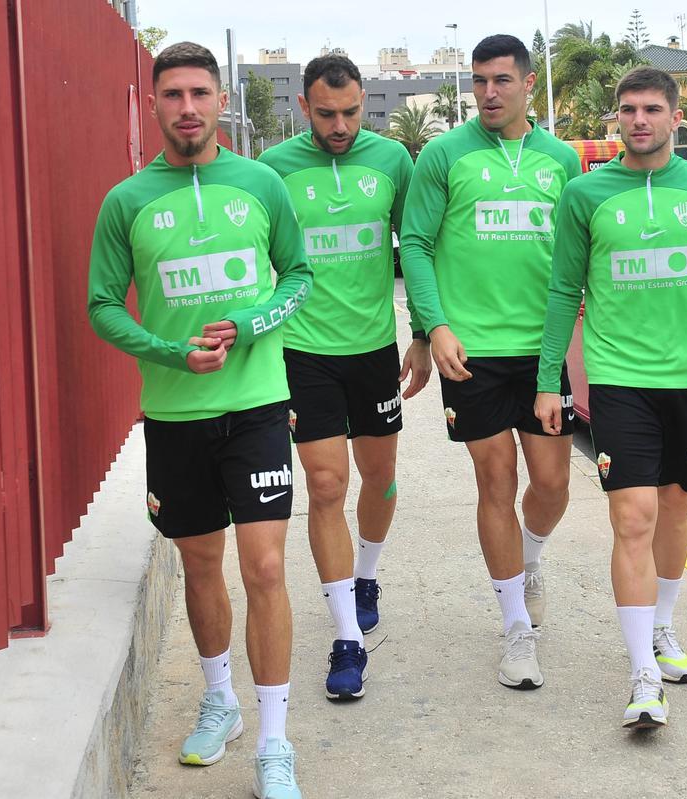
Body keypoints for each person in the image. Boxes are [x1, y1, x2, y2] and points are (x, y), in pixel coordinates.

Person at [87, 42, 311, 798]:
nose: (187, 107)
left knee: (268, 566)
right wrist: (167, 353)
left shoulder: (260, 183)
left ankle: (275, 742)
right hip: (175, 414)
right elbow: (101, 305)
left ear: (221, 102)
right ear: (152, 104)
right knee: (202, 565)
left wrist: (250, 324)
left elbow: (299, 275)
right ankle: (220, 700)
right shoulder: (126, 201)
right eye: (172, 94)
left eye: (199, 93)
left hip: (256, 404)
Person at [534, 66, 687, 729]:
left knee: (676, 506)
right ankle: (640, 674)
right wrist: (551, 379)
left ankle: (663, 627)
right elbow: (562, 292)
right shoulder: (585, 194)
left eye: (652, 108)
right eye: (628, 109)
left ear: (675, 118)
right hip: (618, 378)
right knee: (632, 516)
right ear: (617, 118)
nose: (639, 119)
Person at [400, 33, 582, 690]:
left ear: (529, 84)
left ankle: (529, 558)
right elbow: (415, 244)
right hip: (469, 351)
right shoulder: (445, 155)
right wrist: (433, 326)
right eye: (478, 81)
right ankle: (515, 629)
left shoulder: (561, 159)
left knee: (554, 483)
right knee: (495, 480)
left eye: (501, 80)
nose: (488, 92)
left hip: (540, 351)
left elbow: (577, 259)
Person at [258, 54, 429, 701]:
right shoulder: (273, 170)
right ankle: (346, 638)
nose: (340, 125)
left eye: (352, 112)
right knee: (326, 486)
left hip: (373, 350)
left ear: (366, 104)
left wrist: (418, 331)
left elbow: (415, 248)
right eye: (327, 113)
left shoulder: (393, 163)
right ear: (304, 106)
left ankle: (366, 575)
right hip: (303, 352)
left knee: (379, 479)